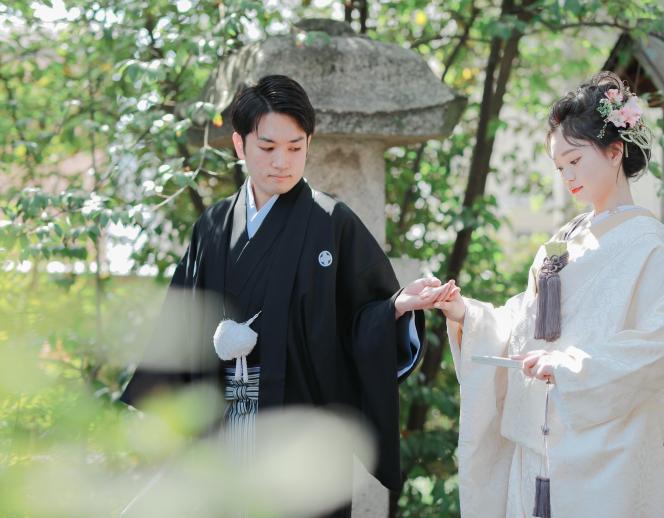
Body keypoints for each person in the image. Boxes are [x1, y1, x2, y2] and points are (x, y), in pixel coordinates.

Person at [120, 74, 455, 516]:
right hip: (222, 428)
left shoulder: (332, 223)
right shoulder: (214, 226)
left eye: (296, 148)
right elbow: (181, 322)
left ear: (309, 144)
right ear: (240, 145)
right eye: (268, 147)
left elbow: (362, 319)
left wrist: (394, 308)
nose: (282, 161)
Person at [436, 71, 664, 517]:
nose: (567, 176)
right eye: (560, 167)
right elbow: (527, 320)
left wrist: (572, 366)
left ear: (615, 151)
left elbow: (656, 345)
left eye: (575, 162)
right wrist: (467, 315)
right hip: (537, 441)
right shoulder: (563, 238)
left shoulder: (650, 244)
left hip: (605, 450)